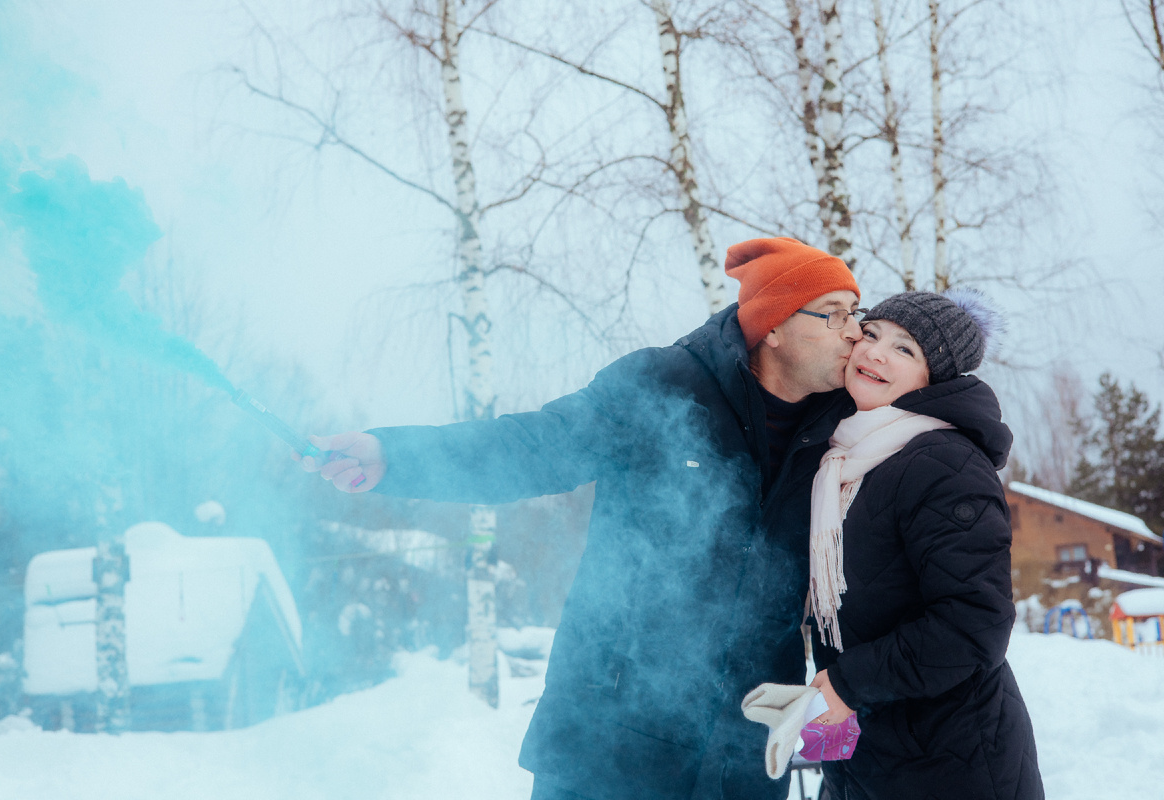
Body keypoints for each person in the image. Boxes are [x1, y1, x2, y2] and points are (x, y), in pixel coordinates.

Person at [302, 237, 862, 800]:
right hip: (612, 739)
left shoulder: (847, 436)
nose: (854, 332)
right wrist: (392, 456)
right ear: (774, 326)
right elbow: (533, 447)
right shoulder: (665, 384)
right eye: (834, 314)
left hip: (743, 757)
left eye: (855, 314)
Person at [803, 290, 1044, 799]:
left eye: (905, 349)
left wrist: (850, 683)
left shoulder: (942, 463)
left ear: (930, 379)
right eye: (870, 334)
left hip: (950, 760)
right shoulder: (843, 461)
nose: (874, 352)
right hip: (869, 756)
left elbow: (974, 624)